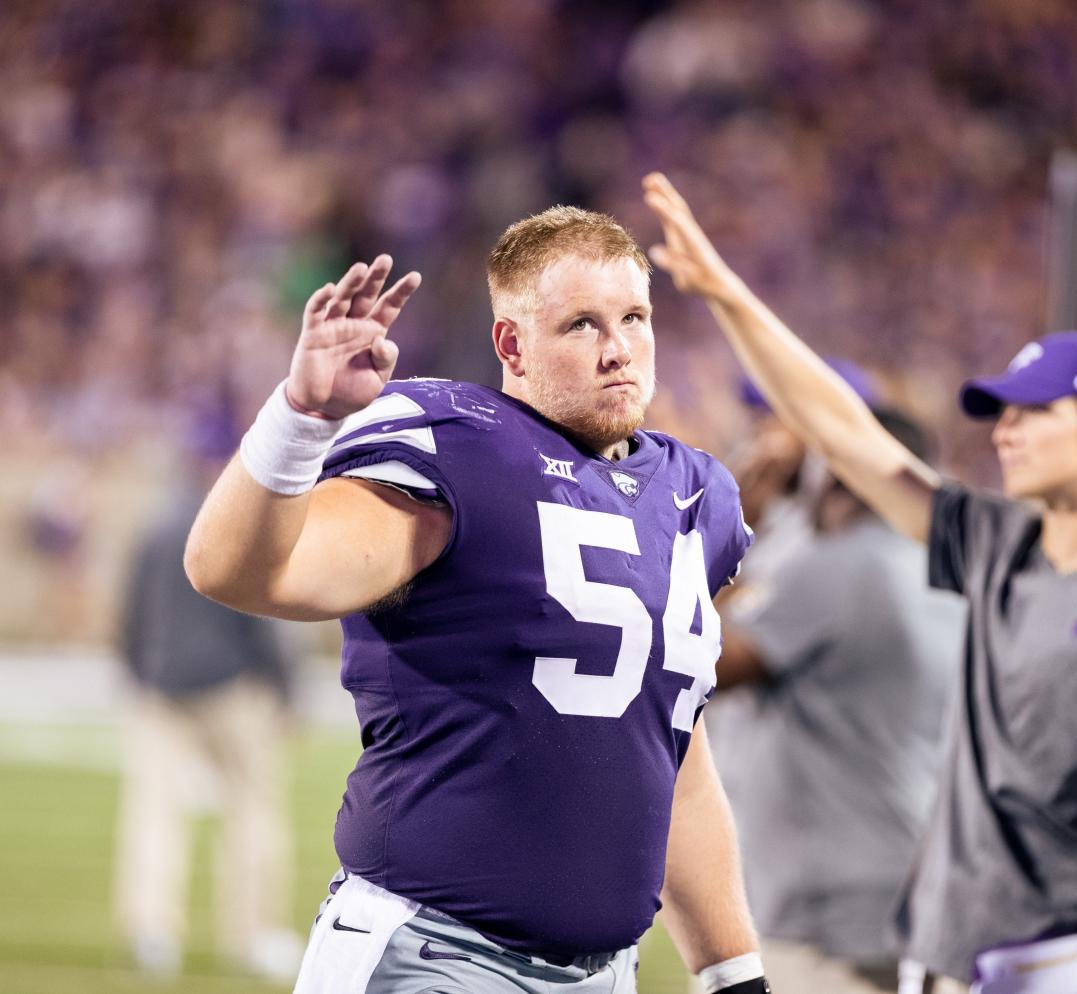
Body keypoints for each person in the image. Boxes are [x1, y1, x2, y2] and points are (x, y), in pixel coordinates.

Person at [642, 172, 1077, 994]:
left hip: (1062, 963)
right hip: (948, 956)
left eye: (1031, 413)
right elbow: (848, 434)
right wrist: (727, 294)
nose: (1005, 432)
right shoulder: (999, 540)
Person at [184, 208, 771, 994]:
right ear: (512, 344)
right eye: (581, 325)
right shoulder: (460, 449)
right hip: (433, 956)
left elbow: (672, 754)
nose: (618, 349)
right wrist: (301, 419)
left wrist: (734, 971)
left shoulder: (691, 494)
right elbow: (241, 572)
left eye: (635, 317)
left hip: (606, 976)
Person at [710, 401, 964, 994]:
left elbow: (694, 662)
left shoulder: (840, 566)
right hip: (912, 880)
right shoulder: (945, 569)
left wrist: (729, 533)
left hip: (830, 919)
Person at [116, 413, 300, 979]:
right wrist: (286, 690)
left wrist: (139, 676)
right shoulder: (235, 523)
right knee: (253, 815)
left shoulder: (156, 527)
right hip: (233, 692)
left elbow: (131, 618)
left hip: (162, 691)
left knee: (155, 816)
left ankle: (153, 933)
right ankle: (253, 934)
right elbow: (263, 616)